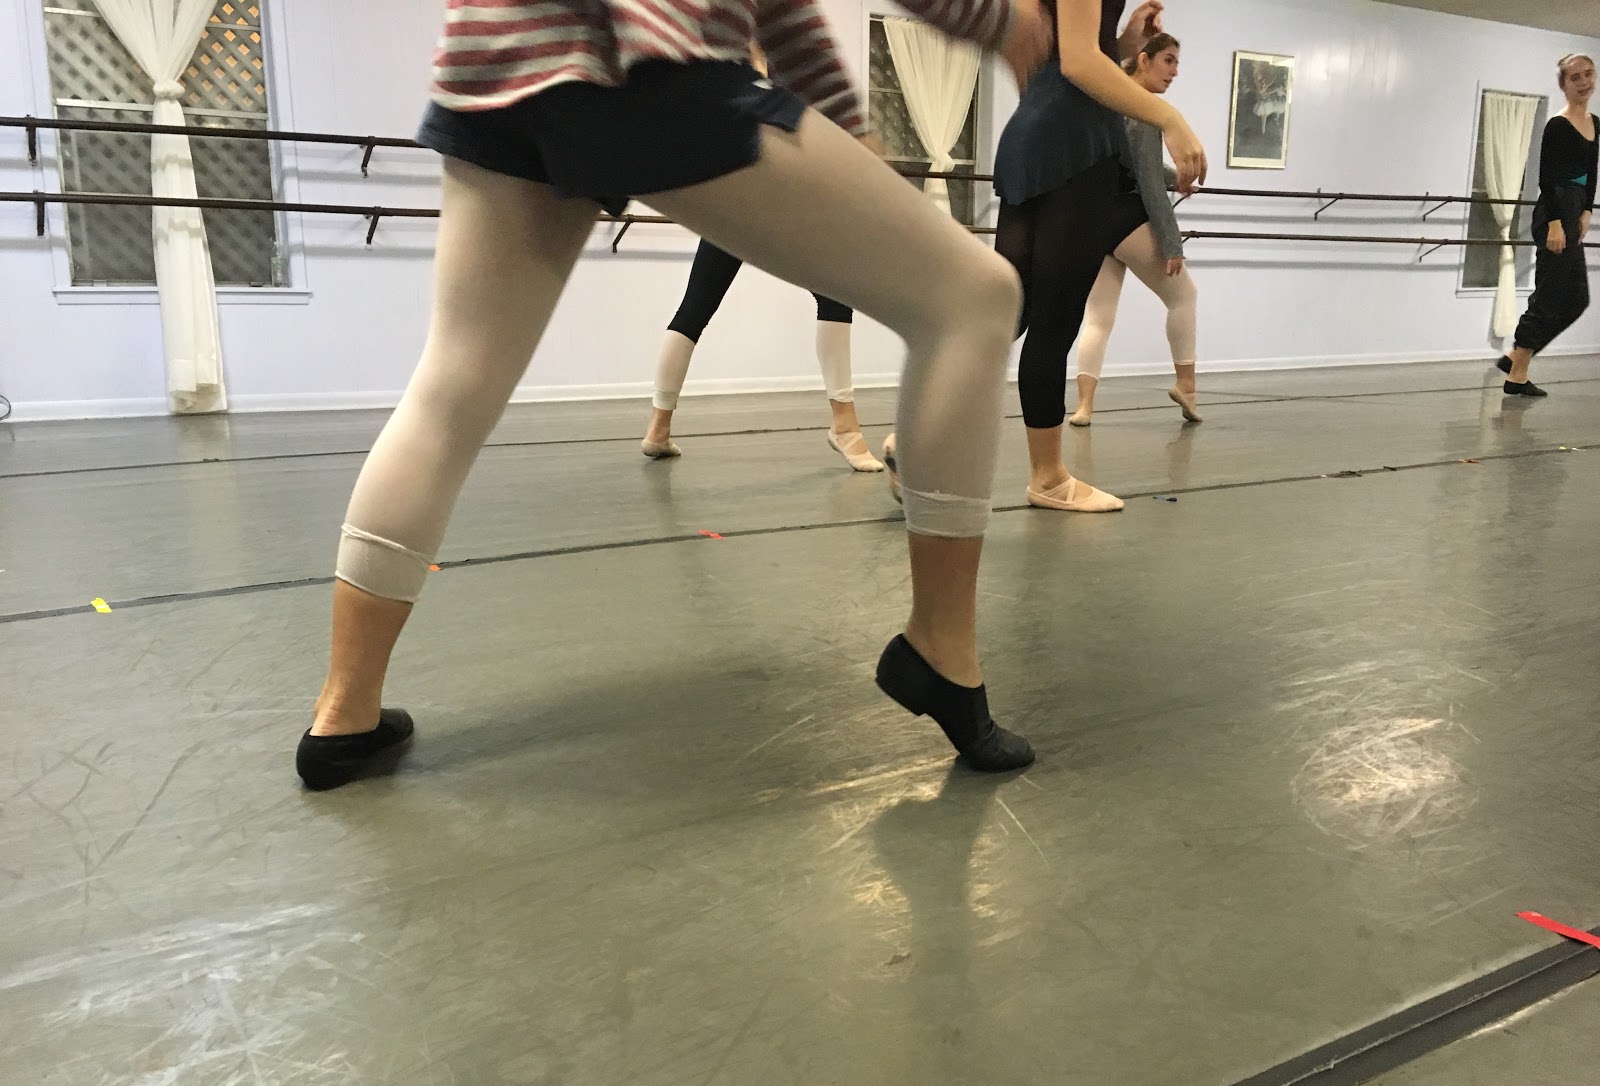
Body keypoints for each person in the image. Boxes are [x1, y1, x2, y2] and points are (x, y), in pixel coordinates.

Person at [294, 0, 1057, 791]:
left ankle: (344, 713)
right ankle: (940, 650)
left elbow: (783, 12)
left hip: (499, 59)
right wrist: (996, 20)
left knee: (452, 386)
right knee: (978, 299)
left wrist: (844, 126)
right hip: (644, 65)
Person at [990, 0, 1206, 513]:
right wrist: (1170, 118)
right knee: (1052, 323)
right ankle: (1048, 477)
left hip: (1032, 135)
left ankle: (915, 442)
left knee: (1003, 316)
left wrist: (1124, 42)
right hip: (1077, 146)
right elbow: (1079, 62)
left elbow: (1044, 54)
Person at [643, 43, 884, 472]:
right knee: (701, 309)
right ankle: (844, 428)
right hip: (753, 207)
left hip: (743, 207)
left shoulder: (759, 73)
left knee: (696, 310)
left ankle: (658, 428)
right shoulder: (733, 77)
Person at [1070, 32, 1201, 427]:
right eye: (1168, 61)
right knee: (1184, 296)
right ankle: (1187, 385)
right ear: (1144, 60)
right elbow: (1146, 183)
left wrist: (1176, 178)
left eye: (1177, 63)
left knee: (1099, 316)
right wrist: (1172, 242)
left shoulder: (1110, 98)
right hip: (1127, 219)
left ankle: (1084, 407)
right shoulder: (1145, 110)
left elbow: (1137, 164)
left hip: (1095, 221)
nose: (1174, 72)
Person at [1500, 53, 1596, 398]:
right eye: (1575, 77)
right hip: (1554, 211)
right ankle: (1518, 371)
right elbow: (1546, 177)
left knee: (1577, 298)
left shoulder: (1595, 123)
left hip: (1574, 210)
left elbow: (1592, 172)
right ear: (1563, 84)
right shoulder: (1557, 125)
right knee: (1550, 295)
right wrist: (1556, 223)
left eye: (1588, 74)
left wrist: (1587, 210)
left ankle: (1516, 358)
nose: (1584, 82)